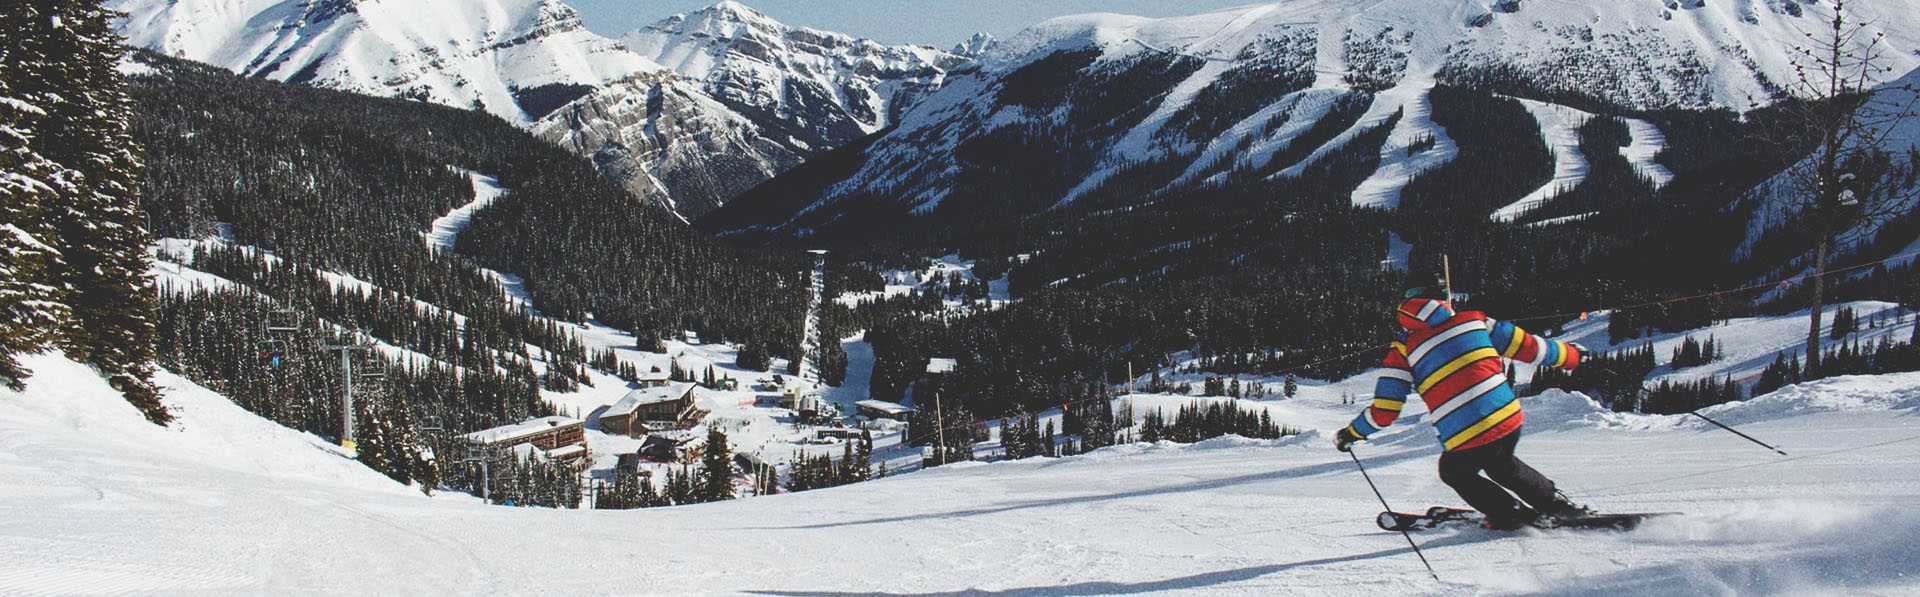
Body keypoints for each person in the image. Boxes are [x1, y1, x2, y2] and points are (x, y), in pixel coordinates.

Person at [1334, 279, 1592, 530]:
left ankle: (1510, 514)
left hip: (1466, 433)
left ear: (1404, 311)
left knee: (1454, 472)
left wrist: (1352, 433)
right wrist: (1571, 356)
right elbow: (1529, 347)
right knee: (1503, 464)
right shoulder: (1475, 320)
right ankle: (1556, 504)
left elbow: (1386, 410)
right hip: (1508, 418)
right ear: (1442, 302)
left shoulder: (1403, 348)